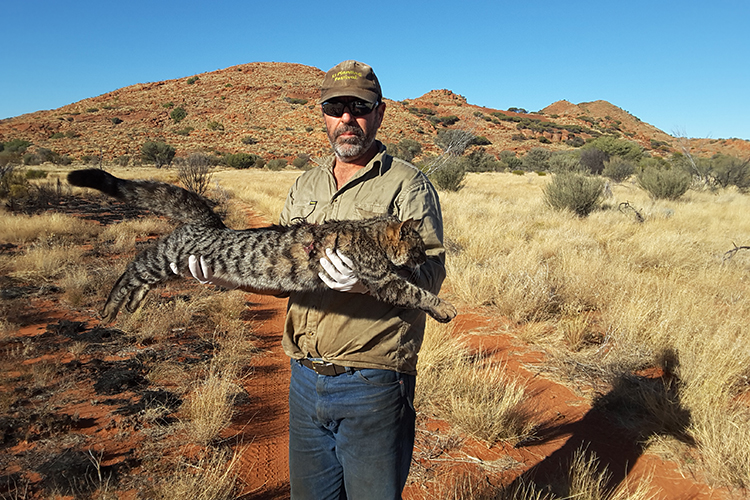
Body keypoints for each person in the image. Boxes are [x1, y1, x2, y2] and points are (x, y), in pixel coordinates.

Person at [185, 60, 446, 500]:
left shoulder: (407, 185)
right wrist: (227, 276)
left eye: (359, 107)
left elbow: (432, 274)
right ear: (323, 114)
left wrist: (367, 283)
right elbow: (280, 272)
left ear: (379, 113)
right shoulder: (306, 184)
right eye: (335, 107)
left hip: (372, 381)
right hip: (305, 379)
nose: (347, 118)